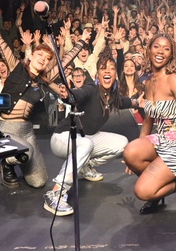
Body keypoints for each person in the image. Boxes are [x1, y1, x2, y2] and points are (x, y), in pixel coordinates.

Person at [0, 0, 88, 189]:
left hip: (27, 130)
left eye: (47, 59)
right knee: (25, 152)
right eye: (40, 55)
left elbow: (65, 62)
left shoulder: (43, 79)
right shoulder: (16, 67)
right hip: (7, 127)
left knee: (38, 182)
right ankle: (6, 163)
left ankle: (16, 157)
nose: (43, 60)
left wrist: (81, 43)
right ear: (31, 56)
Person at [43, 55, 141, 216]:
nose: (107, 71)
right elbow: (77, 94)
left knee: (123, 143)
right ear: (98, 75)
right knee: (86, 145)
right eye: (104, 68)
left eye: (111, 68)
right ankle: (55, 193)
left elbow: (125, 102)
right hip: (63, 137)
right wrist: (68, 95)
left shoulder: (112, 97)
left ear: (116, 74)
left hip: (85, 138)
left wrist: (138, 103)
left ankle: (84, 168)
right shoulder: (91, 89)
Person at [122, 34, 176, 214]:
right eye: (157, 47)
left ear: (171, 55)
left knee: (142, 191)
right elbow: (148, 121)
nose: (160, 52)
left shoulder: (174, 79)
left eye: (166, 49)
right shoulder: (149, 82)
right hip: (161, 139)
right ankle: (156, 194)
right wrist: (132, 157)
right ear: (149, 49)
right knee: (129, 151)